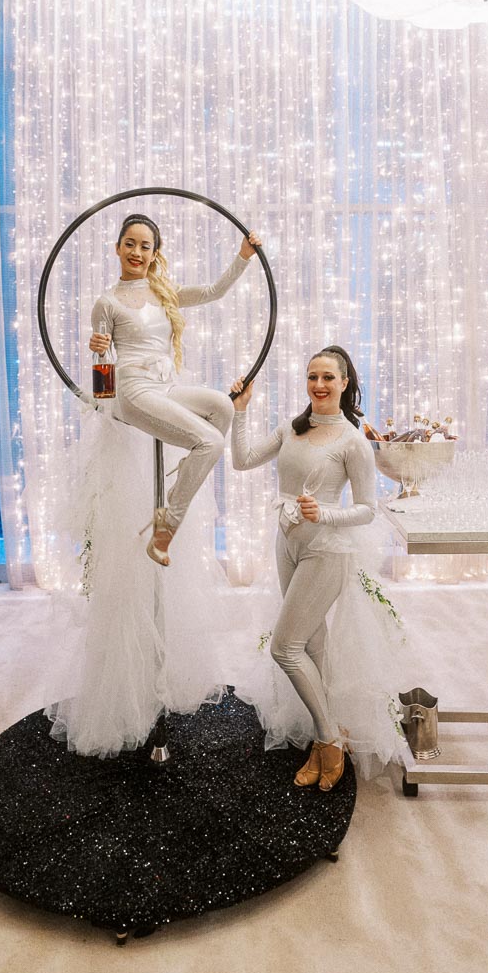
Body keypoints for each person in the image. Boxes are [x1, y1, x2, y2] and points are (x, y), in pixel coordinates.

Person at [230, 347, 408, 789]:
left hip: (326, 549)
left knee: (283, 648)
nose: (319, 385)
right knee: (311, 645)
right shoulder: (292, 429)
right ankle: (325, 735)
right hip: (286, 543)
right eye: (312, 376)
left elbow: (368, 509)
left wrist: (324, 514)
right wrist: (239, 412)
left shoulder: (351, 441)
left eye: (328, 377)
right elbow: (242, 459)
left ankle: (329, 740)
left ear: (345, 383)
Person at [89, 213, 261, 565]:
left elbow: (215, 292)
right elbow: (103, 379)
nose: (137, 252)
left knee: (222, 407)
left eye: (145, 246)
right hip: (133, 388)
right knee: (210, 441)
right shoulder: (107, 303)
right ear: (117, 248)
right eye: (130, 244)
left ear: (154, 253)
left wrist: (244, 255)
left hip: (164, 386)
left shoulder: (163, 294)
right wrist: (97, 350)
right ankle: (165, 530)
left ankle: (186, 472)